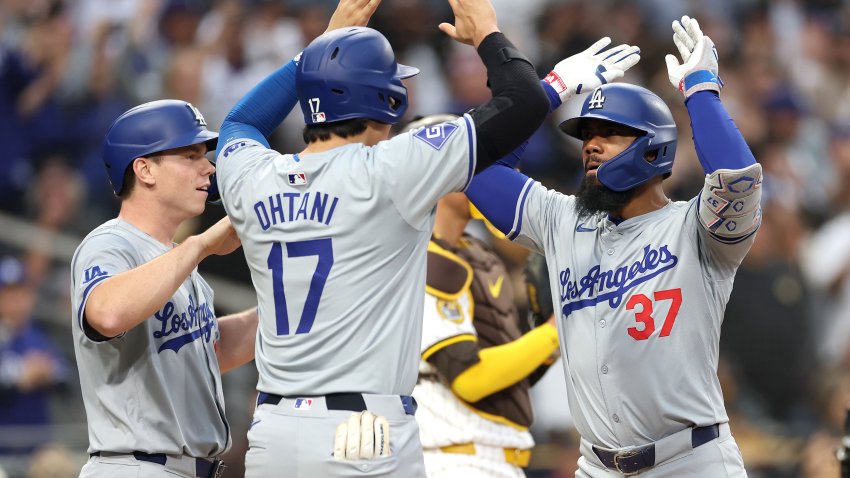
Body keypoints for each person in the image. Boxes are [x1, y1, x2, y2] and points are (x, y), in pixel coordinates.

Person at [213, 0, 638, 475]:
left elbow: (239, 123)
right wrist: (491, 36)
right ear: (388, 100)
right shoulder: (392, 170)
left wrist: (316, 56)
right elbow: (521, 101)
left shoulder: (256, 175)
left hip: (273, 430)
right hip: (363, 431)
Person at [464, 16, 761, 477]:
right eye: (586, 135)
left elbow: (738, 180)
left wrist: (701, 90)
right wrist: (549, 91)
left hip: (691, 461)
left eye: (608, 132)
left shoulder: (696, 229)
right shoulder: (562, 221)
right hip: (596, 466)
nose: (591, 146)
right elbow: (476, 166)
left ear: (652, 147)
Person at [70, 97, 258, 478]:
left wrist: (292, 302)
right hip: (137, 465)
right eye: (191, 156)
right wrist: (200, 246)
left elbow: (209, 352)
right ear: (145, 170)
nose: (209, 168)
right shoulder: (110, 243)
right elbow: (107, 313)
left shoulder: (176, 262)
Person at [405, 114, 559, 478]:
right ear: (440, 172)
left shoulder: (477, 254)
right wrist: (555, 331)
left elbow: (503, 381)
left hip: (491, 457)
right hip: (451, 459)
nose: (500, 175)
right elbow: (470, 380)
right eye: (484, 162)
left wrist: (549, 345)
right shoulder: (420, 259)